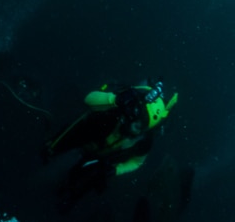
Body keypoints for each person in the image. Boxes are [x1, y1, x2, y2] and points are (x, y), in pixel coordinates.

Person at [43, 81, 178, 213]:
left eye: (140, 126)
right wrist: (114, 99)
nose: (133, 126)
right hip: (84, 135)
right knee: (56, 146)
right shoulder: (118, 108)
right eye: (135, 118)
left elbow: (137, 162)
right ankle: (49, 152)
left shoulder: (144, 142)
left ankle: (65, 199)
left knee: (86, 180)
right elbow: (89, 99)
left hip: (99, 159)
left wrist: (116, 170)